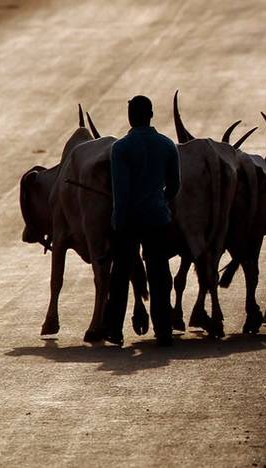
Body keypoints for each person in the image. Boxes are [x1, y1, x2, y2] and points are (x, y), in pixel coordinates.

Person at [105, 96, 181, 347]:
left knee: (120, 275)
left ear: (130, 117)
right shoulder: (167, 145)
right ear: (151, 115)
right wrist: (160, 201)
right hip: (157, 217)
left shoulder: (121, 148)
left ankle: (114, 330)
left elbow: (121, 191)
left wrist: (118, 222)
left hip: (129, 220)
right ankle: (164, 330)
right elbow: (175, 186)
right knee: (159, 273)